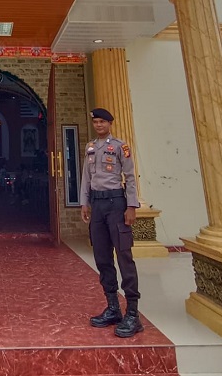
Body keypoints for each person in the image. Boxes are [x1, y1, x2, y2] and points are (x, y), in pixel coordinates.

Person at [80, 108, 142, 338]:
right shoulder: (90, 147)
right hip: (97, 205)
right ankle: (113, 307)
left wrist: (131, 206)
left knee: (124, 255)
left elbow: (130, 177)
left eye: (102, 122)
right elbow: (86, 177)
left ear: (109, 124)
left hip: (116, 204)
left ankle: (132, 313)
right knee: (102, 257)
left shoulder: (119, 147)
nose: (98, 125)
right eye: (95, 121)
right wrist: (84, 202)